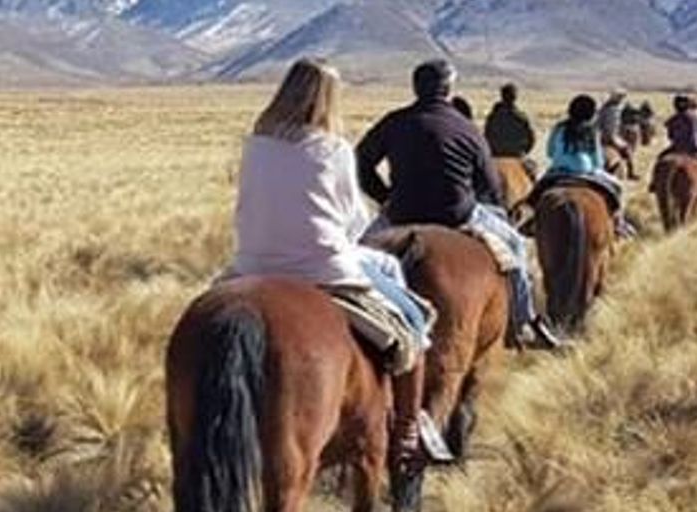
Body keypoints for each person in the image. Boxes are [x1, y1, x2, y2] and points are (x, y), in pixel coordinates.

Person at [223, 58, 445, 463]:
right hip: (322, 267)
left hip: (250, 264)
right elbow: (354, 219)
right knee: (412, 320)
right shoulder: (333, 149)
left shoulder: (254, 145)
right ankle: (408, 427)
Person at [355, 59, 564, 351]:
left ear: (416, 87)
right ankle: (523, 323)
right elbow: (490, 184)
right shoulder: (466, 128)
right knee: (515, 246)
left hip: (400, 214)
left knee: (357, 252)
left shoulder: (394, 121)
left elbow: (361, 161)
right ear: (449, 89)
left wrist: (384, 196)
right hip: (458, 216)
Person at [540, 94, 634, 237]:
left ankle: (533, 221)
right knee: (618, 188)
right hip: (586, 172)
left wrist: (561, 158)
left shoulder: (559, 128)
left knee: (538, 190)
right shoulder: (592, 131)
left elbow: (550, 152)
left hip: (559, 171)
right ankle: (618, 223)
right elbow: (597, 160)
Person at [484, 83, 537, 170]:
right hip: (516, 156)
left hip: (496, 157)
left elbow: (486, 137)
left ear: (502, 96)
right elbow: (531, 140)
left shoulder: (492, 117)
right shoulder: (521, 117)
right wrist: (523, 152)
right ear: (515, 97)